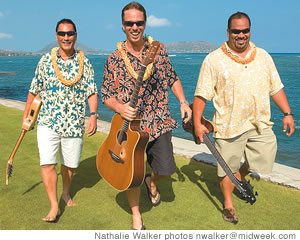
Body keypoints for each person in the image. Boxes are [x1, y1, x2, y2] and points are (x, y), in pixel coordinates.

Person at [193, 12, 294, 224]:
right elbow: (201, 94)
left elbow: (275, 88)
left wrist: (287, 113)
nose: (241, 35)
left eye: (245, 30)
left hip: (259, 122)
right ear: (228, 32)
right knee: (226, 167)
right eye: (236, 31)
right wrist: (197, 124)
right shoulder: (214, 59)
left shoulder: (264, 56)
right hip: (229, 125)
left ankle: (241, 174)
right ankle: (228, 203)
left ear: (250, 31)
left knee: (265, 154)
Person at [101, 1, 192, 230]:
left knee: (165, 168)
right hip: (130, 127)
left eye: (139, 22)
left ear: (145, 24)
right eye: (129, 23)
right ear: (122, 26)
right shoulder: (113, 59)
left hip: (158, 120)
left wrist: (183, 102)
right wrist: (120, 108)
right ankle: (136, 216)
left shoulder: (158, 51)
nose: (134, 27)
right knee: (131, 172)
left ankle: (152, 181)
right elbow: (105, 95)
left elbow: (172, 78)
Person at [22, 18, 98, 222]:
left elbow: (92, 91)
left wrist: (93, 115)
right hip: (48, 121)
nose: (66, 37)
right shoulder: (45, 61)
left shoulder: (86, 63)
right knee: (47, 163)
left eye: (70, 33)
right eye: (62, 34)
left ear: (76, 35)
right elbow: (34, 88)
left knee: (70, 166)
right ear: (56, 36)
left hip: (74, 123)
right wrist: (26, 115)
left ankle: (65, 192)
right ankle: (54, 206)